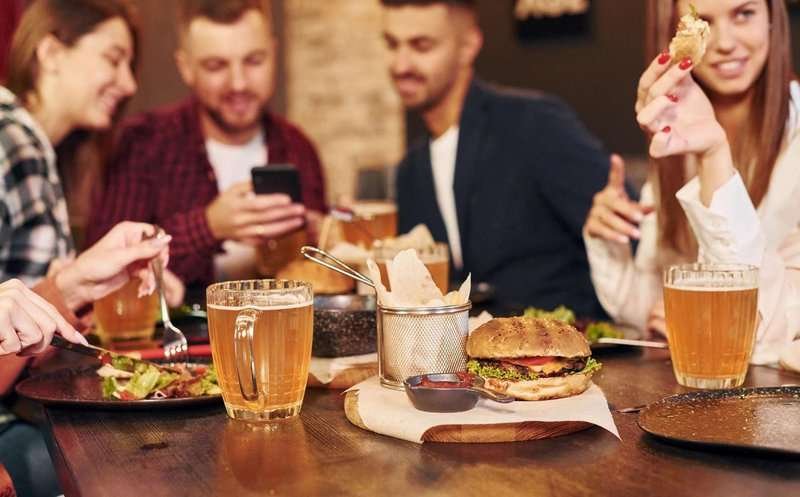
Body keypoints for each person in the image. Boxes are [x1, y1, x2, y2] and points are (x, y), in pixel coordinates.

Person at [0, 2, 176, 495]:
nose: (128, 84)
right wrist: (69, 287)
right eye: (112, 58)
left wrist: (77, 281)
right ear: (52, 52)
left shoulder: (36, 144)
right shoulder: (14, 139)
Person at [584, 0, 799, 364]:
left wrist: (715, 157)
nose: (725, 42)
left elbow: (776, 330)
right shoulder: (681, 126)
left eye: (743, 14)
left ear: (772, 19)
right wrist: (609, 241)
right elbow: (648, 313)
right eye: (703, 22)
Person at [381, 0, 613, 317]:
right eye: (392, 45)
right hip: (465, 359)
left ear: (468, 46)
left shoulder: (534, 123)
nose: (400, 65)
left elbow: (628, 232)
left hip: (569, 350)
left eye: (421, 46)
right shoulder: (410, 169)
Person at [86, 0, 327, 288]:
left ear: (274, 55)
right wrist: (209, 226)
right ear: (185, 68)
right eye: (216, 66)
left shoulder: (298, 147)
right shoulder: (144, 143)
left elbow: (316, 277)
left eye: (254, 61)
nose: (238, 83)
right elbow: (100, 269)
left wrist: (320, 236)